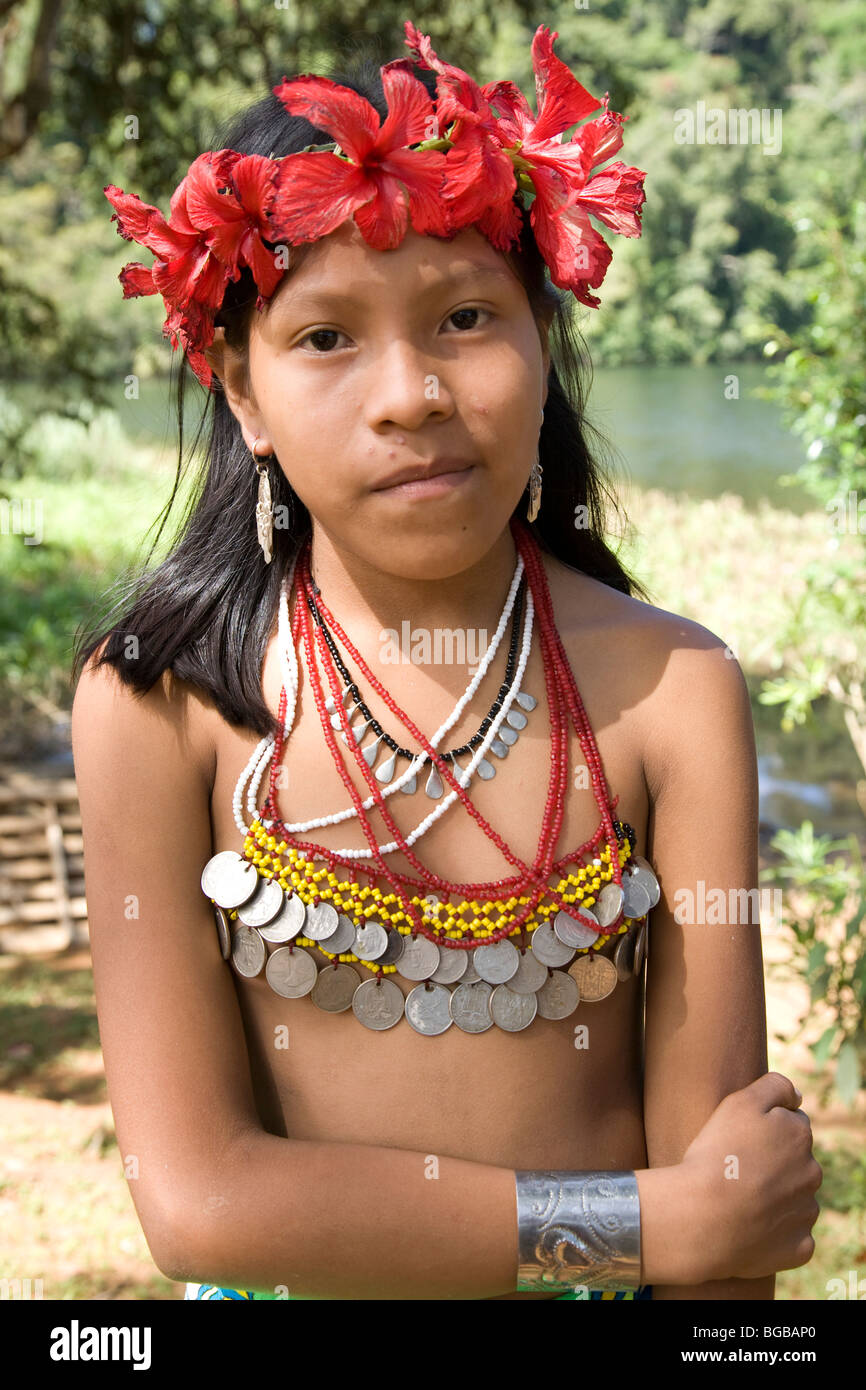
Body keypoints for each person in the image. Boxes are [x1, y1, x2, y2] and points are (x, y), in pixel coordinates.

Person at [71, 23, 821, 1301]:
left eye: (464, 316)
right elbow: (199, 1206)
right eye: (323, 340)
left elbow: (728, 1231)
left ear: (542, 338)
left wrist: (691, 1235)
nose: (410, 392)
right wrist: (640, 1226)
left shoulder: (672, 694)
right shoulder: (160, 702)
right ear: (240, 396)